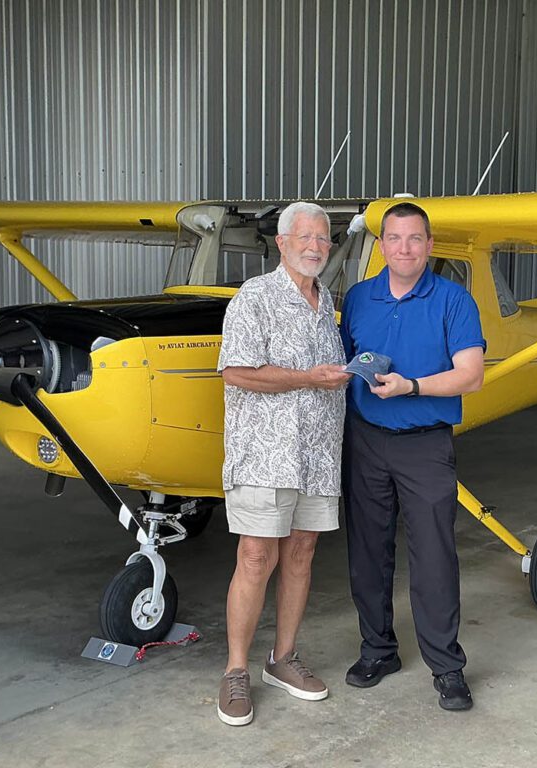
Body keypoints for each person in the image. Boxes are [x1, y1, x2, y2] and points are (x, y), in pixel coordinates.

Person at [340, 202, 486, 711]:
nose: (404, 248)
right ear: (381, 246)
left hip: (425, 444)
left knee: (434, 557)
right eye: (395, 239)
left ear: (429, 245)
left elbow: (471, 373)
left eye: (415, 239)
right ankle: (378, 650)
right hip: (366, 439)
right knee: (367, 552)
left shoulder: (453, 299)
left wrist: (412, 386)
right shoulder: (359, 298)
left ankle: (446, 667)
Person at [215, 201, 350, 726]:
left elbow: (325, 375)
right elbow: (236, 372)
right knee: (255, 558)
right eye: (306, 237)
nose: (316, 246)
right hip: (266, 454)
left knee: (302, 553)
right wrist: (308, 378)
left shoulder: (325, 301)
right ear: (282, 242)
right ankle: (235, 671)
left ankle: (283, 659)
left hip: (316, 455)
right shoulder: (256, 297)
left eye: (324, 239)